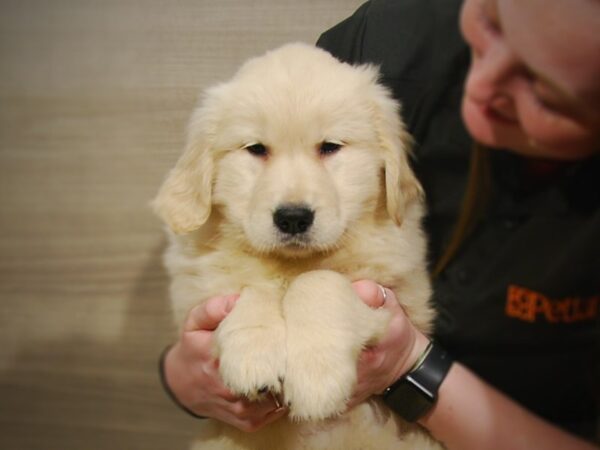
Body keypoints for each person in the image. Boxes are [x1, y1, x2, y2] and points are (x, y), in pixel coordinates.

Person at [160, 0, 600, 447]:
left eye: (544, 91)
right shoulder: (389, 37)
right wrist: (184, 375)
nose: (480, 85)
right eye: (491, 24)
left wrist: (407, 363)